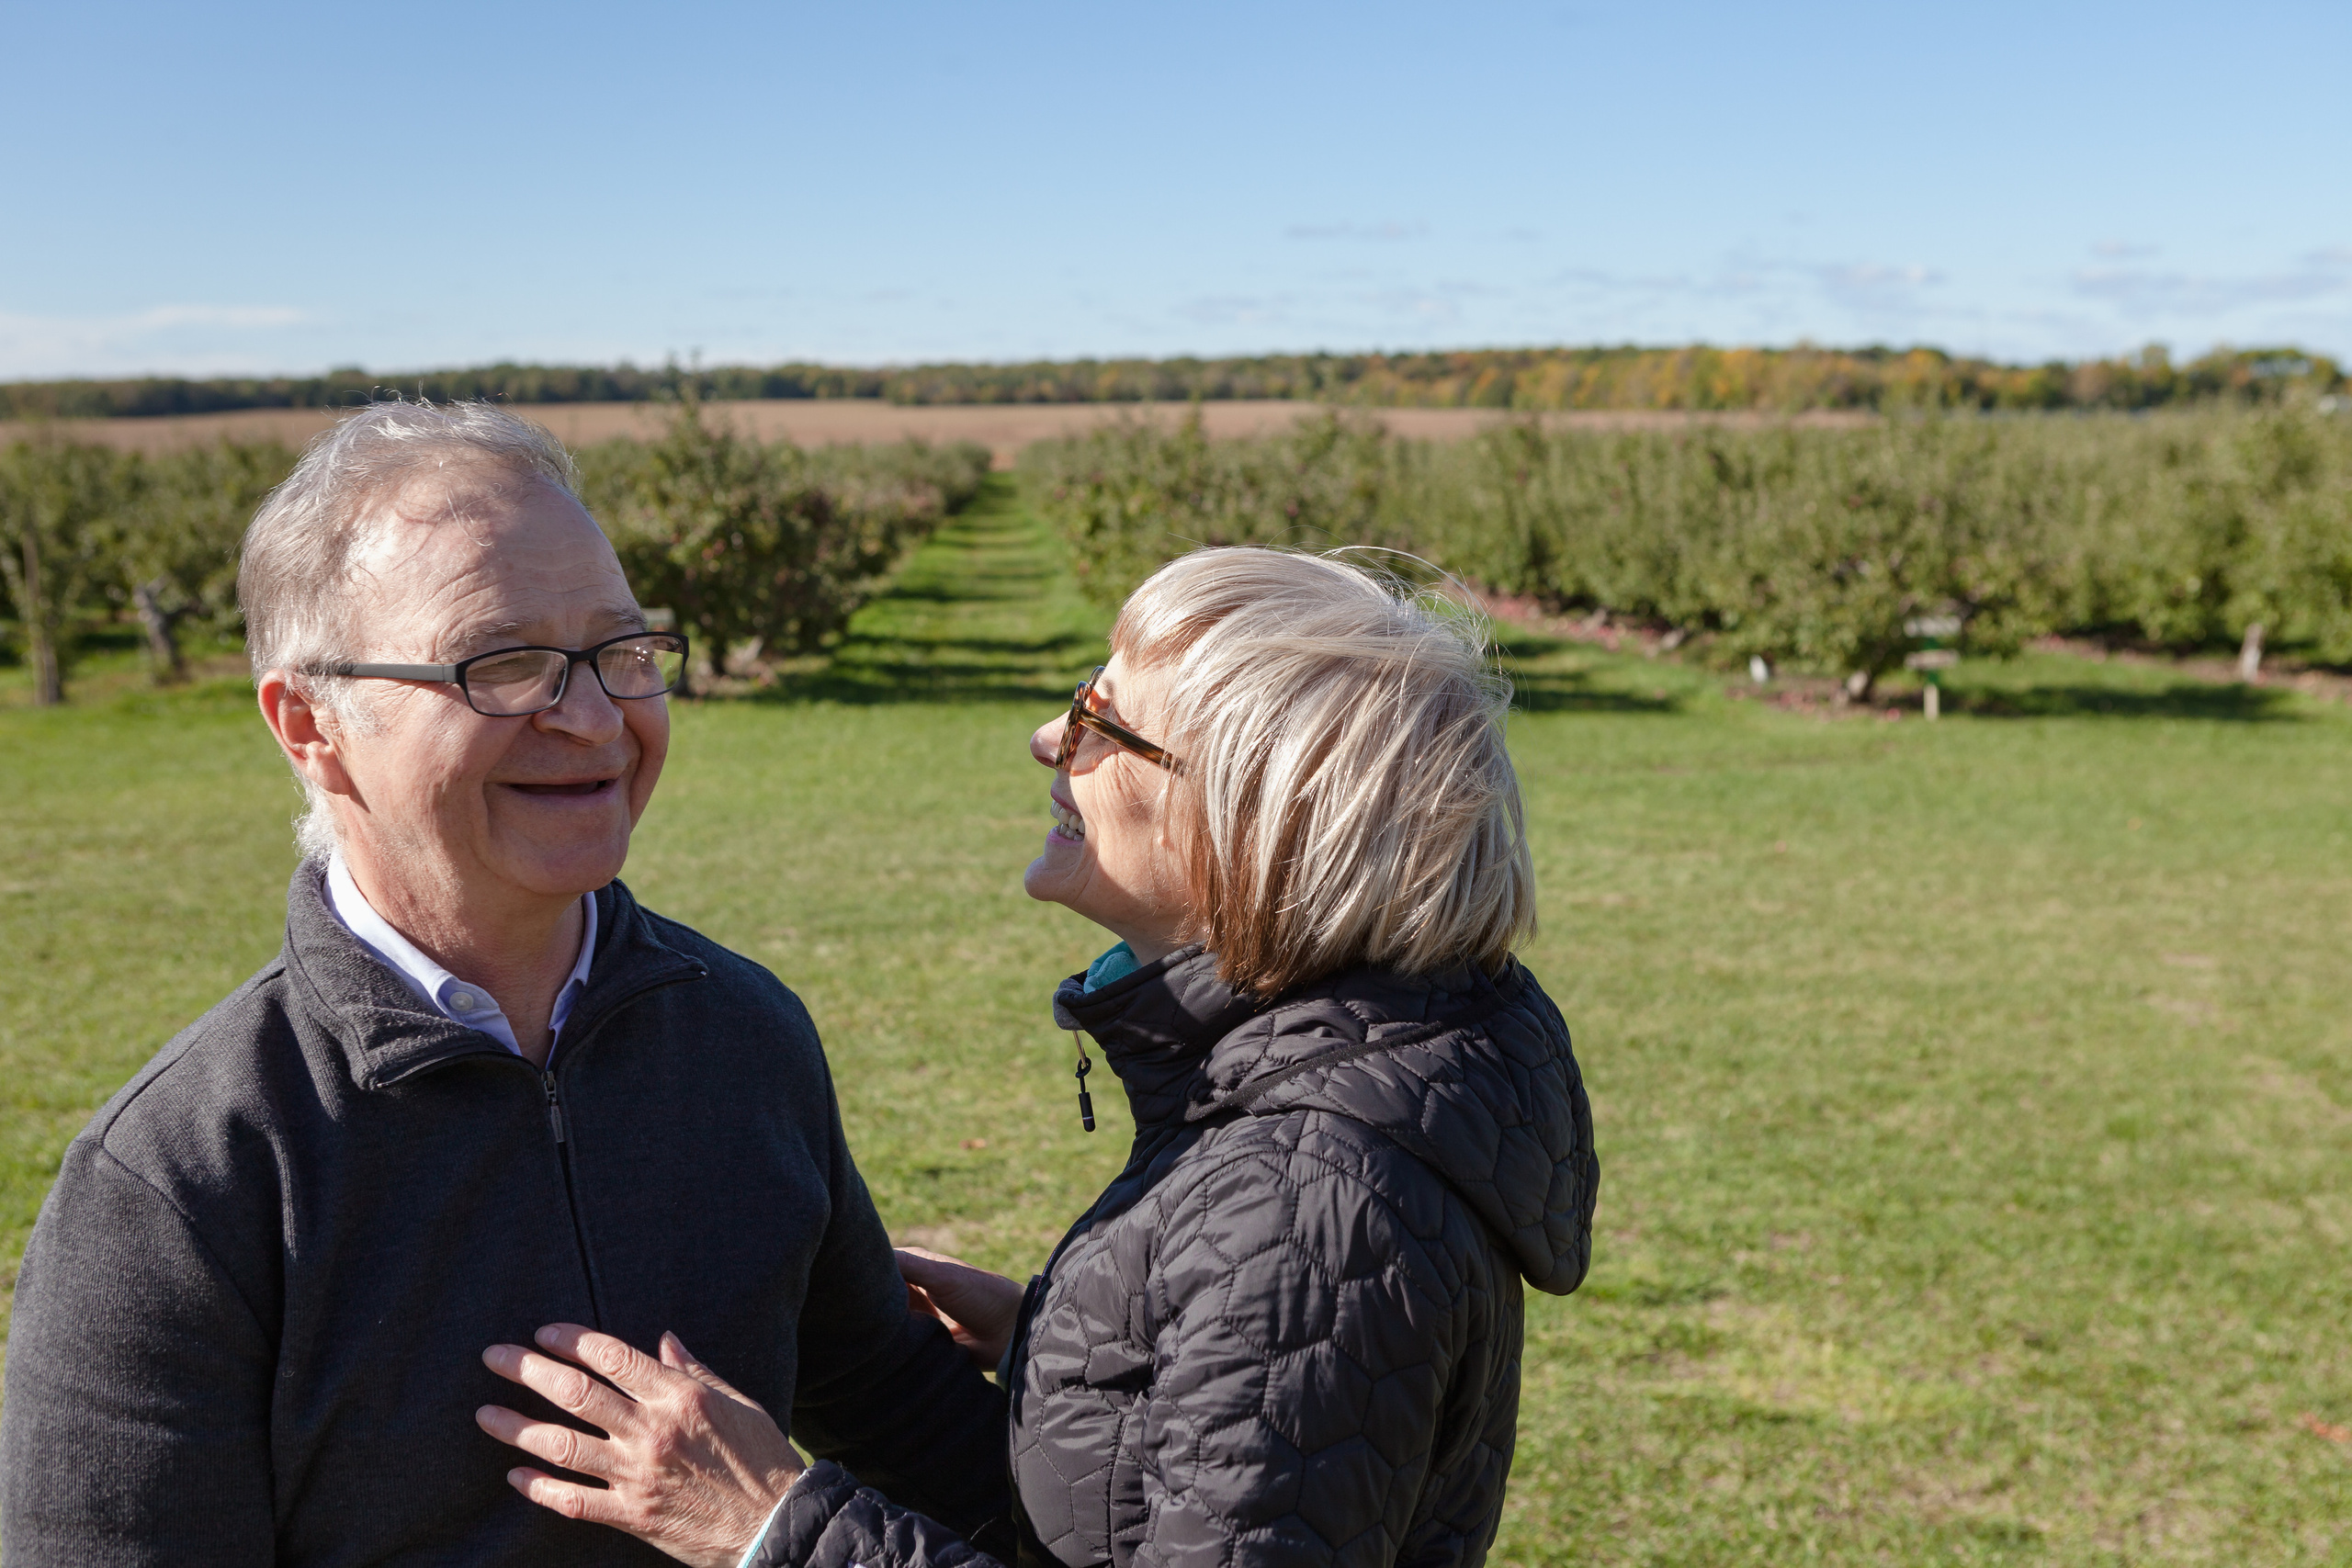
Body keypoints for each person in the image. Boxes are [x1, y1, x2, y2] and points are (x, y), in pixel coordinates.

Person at [0, 403, 1005, 1565]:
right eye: (503, 665)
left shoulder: (743, 1033)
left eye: (622, 652)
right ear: (311, 724)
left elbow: (905, 1422)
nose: (592, 718)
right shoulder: (185, 1177)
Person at [476, 547, 1600, 1568]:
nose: (1049, 742)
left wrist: (774, 1530)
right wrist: (1086, 1360)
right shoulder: (1324, 1122)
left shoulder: (1306, 1207)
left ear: (1246, 819)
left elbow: (1290, 1317)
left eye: (1101, 723)